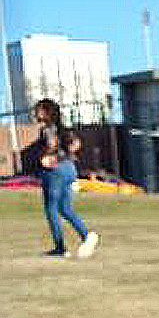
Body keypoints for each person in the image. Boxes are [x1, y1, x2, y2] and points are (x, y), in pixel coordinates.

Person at [33, 98, 99, 258]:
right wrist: (66, 154)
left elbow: (51, 144)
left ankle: (60, 248)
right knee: (65, 208)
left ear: (47, 112)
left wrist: (46, 156)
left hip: (54, 170)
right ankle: (86, 235)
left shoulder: (48, 129)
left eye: (39, 109)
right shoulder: (64, 129)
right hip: (70, 168)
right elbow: (76, 144)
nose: (36, 113)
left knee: (51, 209)